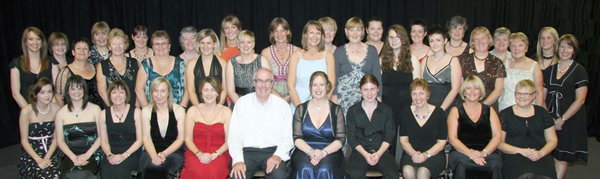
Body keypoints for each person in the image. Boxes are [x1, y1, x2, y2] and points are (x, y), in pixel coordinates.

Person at [228, 68, 294, 179]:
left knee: (280, 176)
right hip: (247, 152)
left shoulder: (282, 106)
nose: (263, 85)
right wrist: (238, 160)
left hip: (273, 151)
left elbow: (287, 138)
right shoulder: (242, 103)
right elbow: (234, 136)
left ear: (272, 84)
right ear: (254, 83)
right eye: (259, 81)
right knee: (237, 176)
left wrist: (278, 155)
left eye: (267, 81)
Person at [544, 34, 588, 179]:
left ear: (574, 50)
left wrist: (561, 119)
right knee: (547, 154)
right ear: (557, 48)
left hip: (569, 121)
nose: (564, 50)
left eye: (569, 47)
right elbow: (542, 97)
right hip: (549, 119)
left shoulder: (579, 70)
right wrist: (549, 119)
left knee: (561, 157)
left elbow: (580, 100)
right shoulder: (549, 70)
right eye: (562, 46)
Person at [498, 79, 558, 179]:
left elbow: (552, 140)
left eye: (526, 94)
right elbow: (499, 143)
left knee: (545, 177)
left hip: (540, 154)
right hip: (514, 155)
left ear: (534, 95)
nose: (521, 97)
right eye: (518, 93)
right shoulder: (505, 114)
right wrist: (521, 151)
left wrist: (540, 153)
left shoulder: (543, 113)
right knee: (526, 175)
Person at [291, 72, 345, 178]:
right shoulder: (300, 110)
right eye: (315, 85)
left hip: (330, 151)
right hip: (304, 150)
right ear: (310, 87)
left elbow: (341, 139)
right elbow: (297, 138)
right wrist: (311, 152)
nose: (318, 88)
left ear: (327, 86)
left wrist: (323, 153)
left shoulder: (336, 110)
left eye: (322, 84)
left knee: (325, 169)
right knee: (305, 167)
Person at [448, 76, 502, 179]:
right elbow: (452, 138)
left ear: (481, 92)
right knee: (462, 165)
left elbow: (497, 136)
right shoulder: (455, 110)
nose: (472, 91)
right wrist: (470, 153)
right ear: (463, 92)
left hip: (488, 153)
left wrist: (483, 153)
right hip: (461, 153)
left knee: (494, 166)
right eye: (468, 88)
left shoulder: (490, 110)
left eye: (476, 88)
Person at [346, 74, 399, 179]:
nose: (369, 93)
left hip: (382, 152)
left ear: (378, 89)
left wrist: (378, 154)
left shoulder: (386, 110)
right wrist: (366, 154)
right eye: (365, 89)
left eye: (372, 89)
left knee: (393, 175)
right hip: (360, 153)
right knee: (355, 175)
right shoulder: (352, 111)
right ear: (360, 90)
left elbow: (389, 136)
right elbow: (352, 138)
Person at [181, 77, 232, 179]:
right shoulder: (192, 111)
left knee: (213, 171)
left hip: (220, 152)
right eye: (206, 90)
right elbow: (188, 139)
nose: (209, 94)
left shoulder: (226, 112)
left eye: (213, 90)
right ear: (201, 93)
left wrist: (215, 154)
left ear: (218, 93)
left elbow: (229, 140)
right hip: (195, 151)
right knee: (196, 170)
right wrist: (199, 154)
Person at [55, 75, 103, 178]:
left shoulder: (96, 109)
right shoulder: (60, 113)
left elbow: (101, 137)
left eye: (79, 88)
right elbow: (60, 141)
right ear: (67, 91)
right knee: (69, 174)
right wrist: (74, 158)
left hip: (93, 153)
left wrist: (86, 155)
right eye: (73, 88)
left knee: (85, 174)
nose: (77, 92)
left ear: (84, 90)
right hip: (69, 155)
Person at [399, 79, 448, 179]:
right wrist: (413, 153)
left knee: (422, 172)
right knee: (407, 171)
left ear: (428, 95)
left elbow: (441, 142)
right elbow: (403, 141)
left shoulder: (439, 113)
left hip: (434, 155)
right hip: (411, 153)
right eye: (414, 94)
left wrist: (425, 155)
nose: (418, 97)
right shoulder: (405, 113)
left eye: (421, 93)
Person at [139, 77, 185, 178]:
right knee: (151, 168)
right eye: (156, 91)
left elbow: (180, 139)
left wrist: (164, 154)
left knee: (163, 169)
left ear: (168, 92)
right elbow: (146, 138)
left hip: (173, 152)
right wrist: (154, 156)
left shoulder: (179, 110)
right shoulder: (146, 111)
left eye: (163, 91)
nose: (159, 95)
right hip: (151, 151)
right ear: (151, 93)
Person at [334, 17, 382, 114]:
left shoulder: (372, 51)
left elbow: (377, 78)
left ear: (363, 31)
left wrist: (379, 101)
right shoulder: (338, 52)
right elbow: (334, 80)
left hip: (367, 102)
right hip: (343, 103)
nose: (355, 33)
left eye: (358, 30)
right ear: (346, 31)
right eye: (351, 30)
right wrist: (334, 103)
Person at [18, 77, 61, 178]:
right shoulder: (26, 111)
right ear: (35, 93)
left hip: (52, 151)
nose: (47, 95)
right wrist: (39, 159)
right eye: (42, 92)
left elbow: (56, 138)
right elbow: (24, 141)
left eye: (49, 91)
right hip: (32, 154)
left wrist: (47, 157)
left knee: (57, 174)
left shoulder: (57, 109)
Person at [98, 80, 142, 178]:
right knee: (107, 170)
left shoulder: (136, 112)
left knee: (121, 171)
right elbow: (104, 141)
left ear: (126, 95)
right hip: (111, 152)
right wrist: (109, 155)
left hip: (131, 152)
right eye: (114, 92)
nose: (118, 95)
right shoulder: (103, 114)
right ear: (109, 95)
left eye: (121, 92)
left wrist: (124, 155)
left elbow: (140, 140)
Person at [288, 20, 336, 107]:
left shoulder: (328, 56)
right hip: (298, 105)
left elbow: (331, 85)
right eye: (311, 33)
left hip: (322, 106)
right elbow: (291, 87)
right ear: (305, 35)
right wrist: (300, 110)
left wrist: (321, 105)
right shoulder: (295, 56)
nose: (315, 36)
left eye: (318, 33)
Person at [136, 30, 188, 107]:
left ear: (169, 46)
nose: (160, 47)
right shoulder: (146, 65)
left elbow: (188, 89)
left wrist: (182, 108)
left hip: (177, 112)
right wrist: (147, 110)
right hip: (152, 111)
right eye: (157, 44)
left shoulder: (180, 64)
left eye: (163, 43)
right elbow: (138, 89)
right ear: (153, 47)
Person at [459, 27, 506, 107]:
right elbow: (460, 85)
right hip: (466, 105)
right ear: (473, 43)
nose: (480, 42)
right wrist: (470, 105)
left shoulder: (497, 62)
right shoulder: (463, 60)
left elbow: (498, 90)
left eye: (483, 38)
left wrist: (482, 106)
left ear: (489, 41)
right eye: (476, 39)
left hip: (489, 106)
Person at [498, 32, 544, 111]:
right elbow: (498, 89)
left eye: (520, 45)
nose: (517, 49)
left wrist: (538, 113)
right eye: (513, 46)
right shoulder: (503, 64)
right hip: (505, 108)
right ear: (510, 48)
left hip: (527, 110)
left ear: (526, 48)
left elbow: (539, 93)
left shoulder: (535, 66)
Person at [10, 27, 54, 108]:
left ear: (42, 42)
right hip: (27, 111)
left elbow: (56, 90)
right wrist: (30, 112)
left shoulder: (52, 62)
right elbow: (16, 94)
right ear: (25, 42)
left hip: (50, 110)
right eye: (31, 39)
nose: (35, 42)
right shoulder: (16, 64)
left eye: (38, 39)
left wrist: (50, 110)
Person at [381, 24, 420, 115]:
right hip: (386, 107)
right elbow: (378, 86)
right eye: (391, 37)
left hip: (407, 107)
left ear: (403, 40)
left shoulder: (413, 60)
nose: (394, 40)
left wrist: (414, 105)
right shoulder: (381, 60)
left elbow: (417, 87)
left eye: (397, 37)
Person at [421, 25, 462, 111]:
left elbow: (455, 89)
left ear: (445, 41)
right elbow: (420, 86)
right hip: (426, 107)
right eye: (431, 41)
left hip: (446, 107)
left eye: (438, 40)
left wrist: (441, 110)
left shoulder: (453, 61)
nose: (435, 44)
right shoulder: (425, 61)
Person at [260, 17, 300, 102]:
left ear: (288, 32)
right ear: (272, 34)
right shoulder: (265, 53)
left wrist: (289, 96)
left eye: (282, 30)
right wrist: (279, 98)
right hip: (271, 96)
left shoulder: (298, 51)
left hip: (295, 95)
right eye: (276, 31)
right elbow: (264, 79)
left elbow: (301, 78)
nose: (279, 34)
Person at [225, 30, 271, 104]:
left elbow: (269, 84)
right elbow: (230, 91)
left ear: (253, 44)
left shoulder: (262, 60)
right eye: (242, 42)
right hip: (238, 103)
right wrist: (242, 106)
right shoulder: (231, 63)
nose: (245, 45)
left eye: (249, 42)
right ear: (238, 45)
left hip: (261, 101)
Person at [97, 28, 139, 107]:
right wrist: (114, 109)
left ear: (125, 45)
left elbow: (139, 88)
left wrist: (136, 109)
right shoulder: (102, 65)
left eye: (120, 43)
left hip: (133, 109)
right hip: (112, 110)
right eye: (114, 44)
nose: (118, 47)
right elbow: (102, 91)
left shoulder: (134, 63)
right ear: (109, 46)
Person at [56, 38, 103, 107]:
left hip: (96, 112)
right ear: (73, 52)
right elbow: (59, 97)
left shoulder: (97, 69)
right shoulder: (65, 72)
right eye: (78, 48)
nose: (82, 51)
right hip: (74, 114)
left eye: (85, 48)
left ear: (89, 53)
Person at [186, 28, 227, 106]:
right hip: (197, 106)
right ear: (198, 44)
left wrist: (217, 107)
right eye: (202, 43)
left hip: (218, 106)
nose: (205, 46)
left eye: (208, 43)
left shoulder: (223, 63)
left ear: (214, 44)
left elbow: (225, 89)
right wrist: (199, 108)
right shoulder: (191, 65)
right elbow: (191, 91)